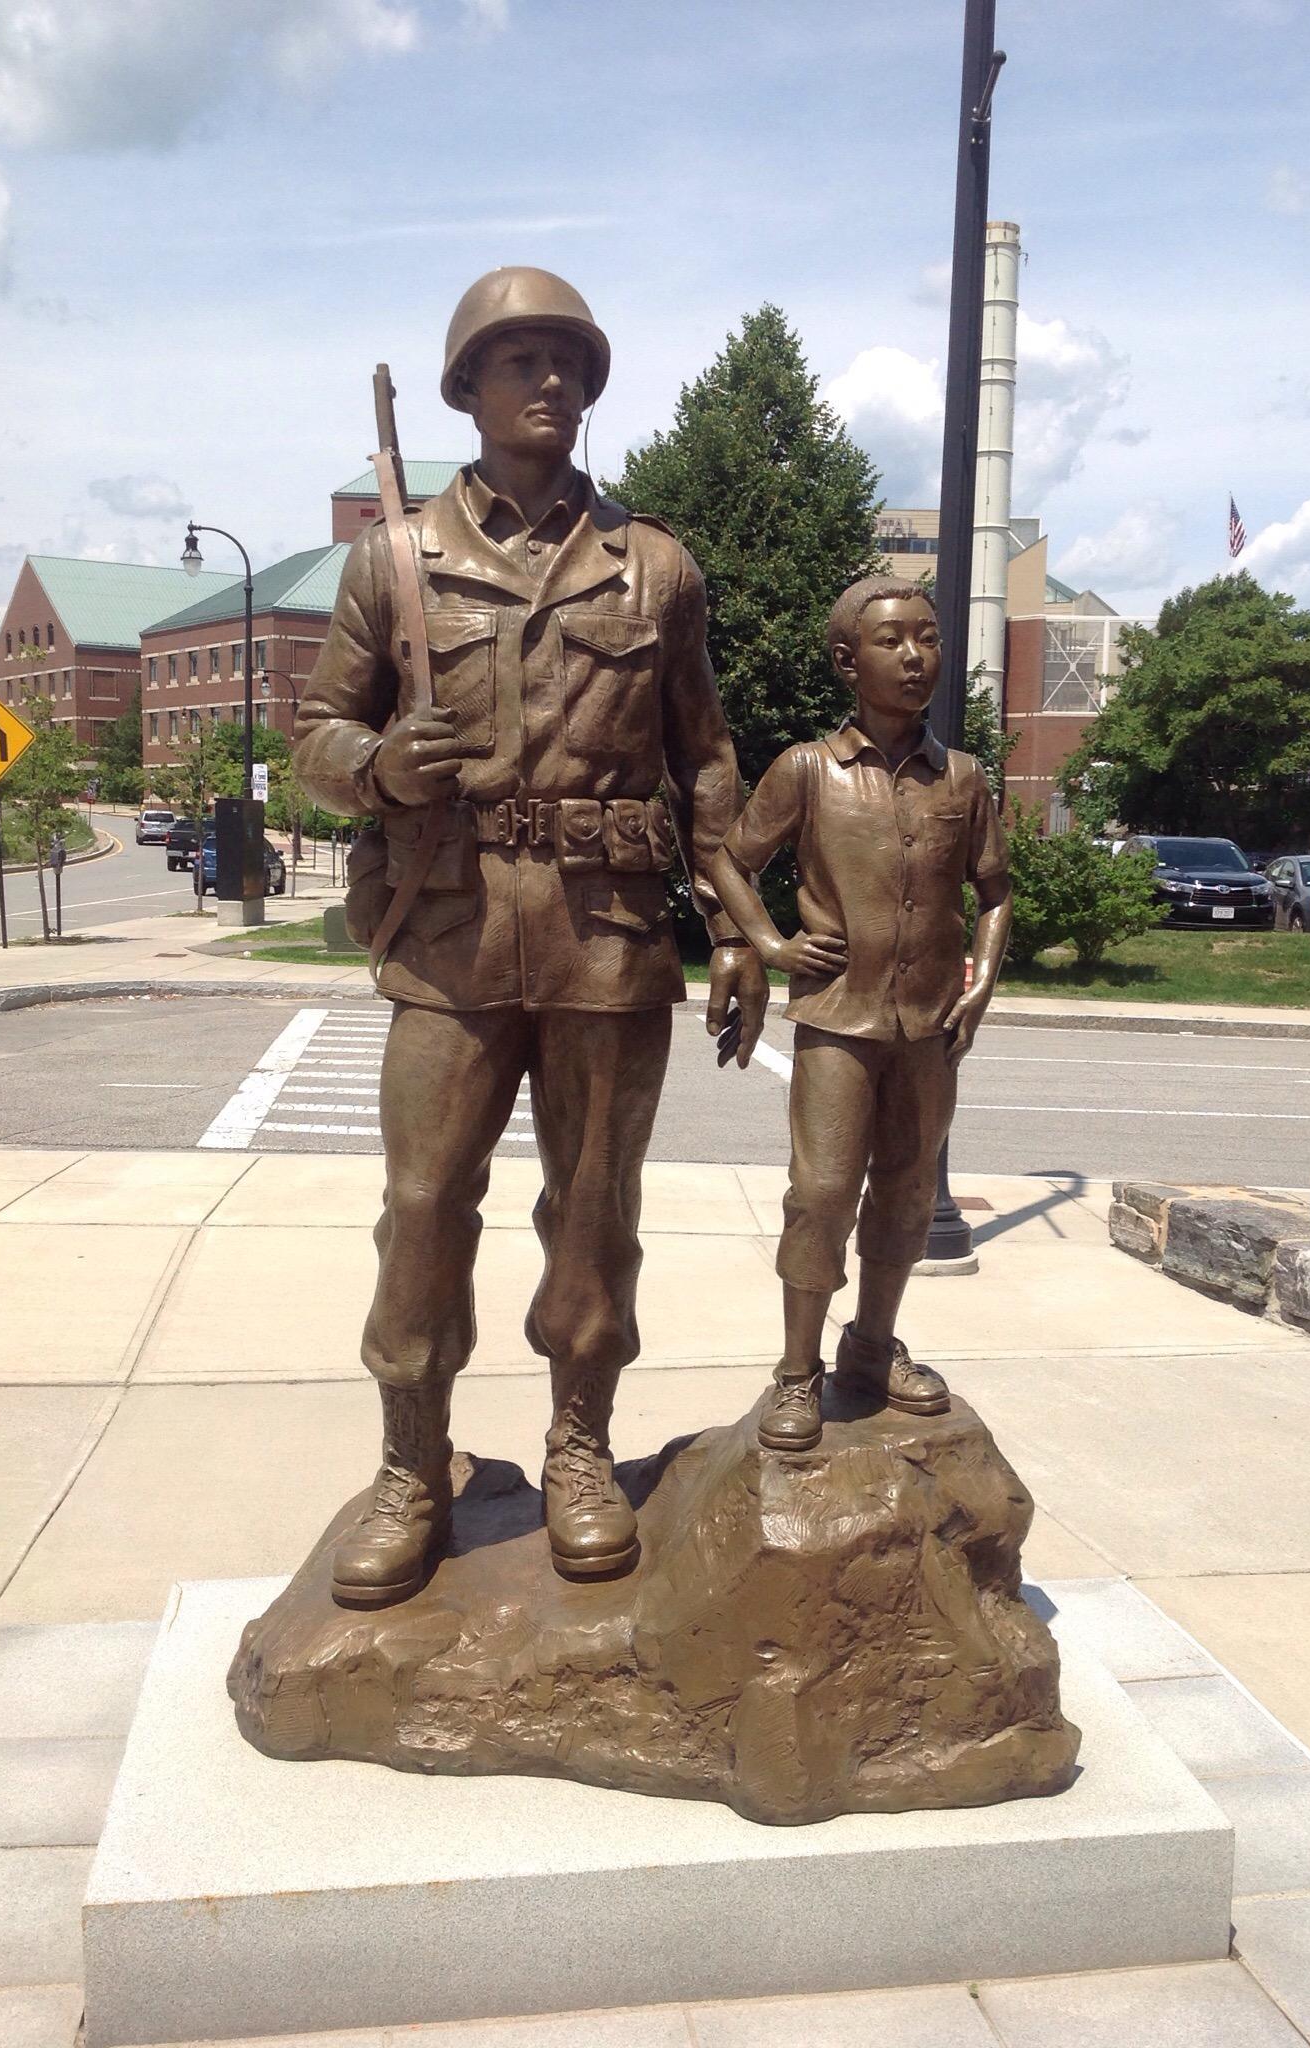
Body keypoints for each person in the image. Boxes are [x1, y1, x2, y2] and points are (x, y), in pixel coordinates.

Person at [293, 267, 767, 1602]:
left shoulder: (655, 565)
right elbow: (315, 737)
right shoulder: (395, 560)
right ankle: (411, 1462)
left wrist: (735, 920)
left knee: (595, 1213)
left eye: (567, 360)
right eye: (520, 361)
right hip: (448, 934)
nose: (549, 380)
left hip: (608, 936)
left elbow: (706, 761)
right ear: (468, 390)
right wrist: (384, 763)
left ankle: (576, 1444)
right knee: (424, 1206)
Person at [709, 577, 1011, 1450]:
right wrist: (768, 944)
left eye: (929, 637)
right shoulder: (808, 768)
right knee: (823, 1194)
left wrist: (982, 980)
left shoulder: (962, 776)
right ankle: (796, 1371)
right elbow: (732, 860)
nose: (917, 656)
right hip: (839, 1021)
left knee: (909, 1196)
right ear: (848, 661)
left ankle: (872, 1349)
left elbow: (994, 892)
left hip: (929, 1026)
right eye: (893, 641)